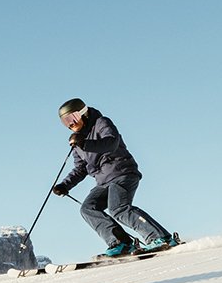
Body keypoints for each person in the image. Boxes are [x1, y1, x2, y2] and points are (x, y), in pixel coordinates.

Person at [52, 97, 178, 257]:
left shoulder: (101, 123)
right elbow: (80, 168)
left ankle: (161, 238)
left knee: (118, 208)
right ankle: (121, 243)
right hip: (103, 181)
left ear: (83, 113)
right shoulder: (77, 141)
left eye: (73, 119)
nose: (71, 125)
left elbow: (111, 142)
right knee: (88, 208)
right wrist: (65, 185)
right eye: (66, 122)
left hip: (122, 172)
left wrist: (84, 143)